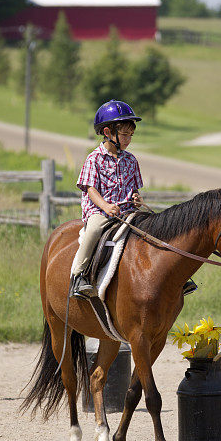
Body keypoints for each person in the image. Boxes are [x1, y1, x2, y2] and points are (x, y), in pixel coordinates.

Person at [71, 99, 145, 299]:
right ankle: (79, 275)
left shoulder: (131, 160)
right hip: (101, 211)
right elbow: (90, 189)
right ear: (107, 132)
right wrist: (105, 205)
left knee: (154, 226)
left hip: (128, 211)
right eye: (124, 134)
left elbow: (134, 189)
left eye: (131, 135)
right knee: (94, 229)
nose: (128, 139)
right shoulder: (94, 158)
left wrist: (136, 198)